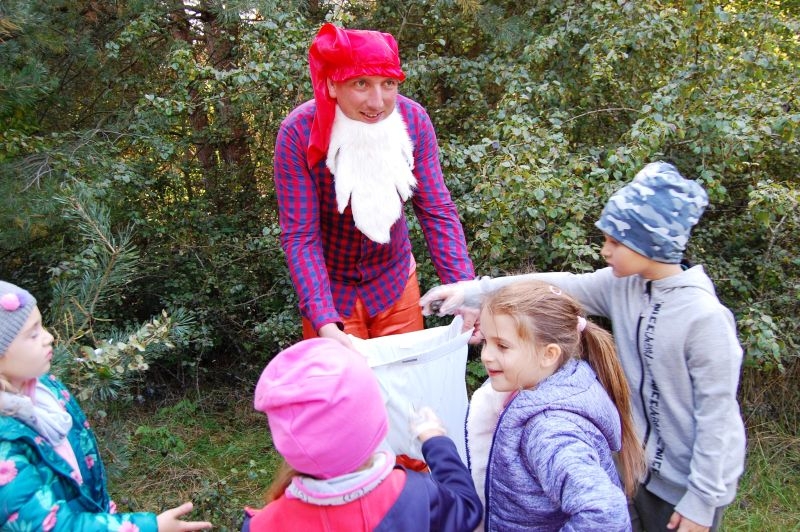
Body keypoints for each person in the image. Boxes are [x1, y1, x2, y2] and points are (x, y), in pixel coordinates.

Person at [420, 161, 747, 532]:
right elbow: (557, 286)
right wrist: (471, 292)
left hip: (685, 489)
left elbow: (719, 418)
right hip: (634, 469)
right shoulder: (623, 286)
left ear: (651, 244)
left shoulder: (704, 318)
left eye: (615, 242)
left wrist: (702, 502)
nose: (605, 250)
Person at [273, 23, 475, 348]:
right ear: (332, 85)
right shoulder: (298, 132)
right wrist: (323, 320)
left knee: (407, 377)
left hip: (395, 281)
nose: (377, 102)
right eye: (361, 84)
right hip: (330, 290)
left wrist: (466, 289)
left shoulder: (414, 121)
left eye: (388, 84)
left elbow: (437, 210)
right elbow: (301, 235)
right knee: (343, 380)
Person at [0, 280, 213, 532]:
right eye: (33, 334)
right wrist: (149, 527)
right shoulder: (5, 446)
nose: (49, 337)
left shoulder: (47, 389)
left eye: (42, 325)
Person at [241, 337, 482, 531]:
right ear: (375, 422)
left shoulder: (259, 525)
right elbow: (468, 509)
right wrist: (436, 441)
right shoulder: (417, 497)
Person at [468, 279, 644, 530]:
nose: (486, 355)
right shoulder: (542, 384)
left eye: (502, 346)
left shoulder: (549, 430)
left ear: (549, 354)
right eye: (486, 341)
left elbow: (605, 514)